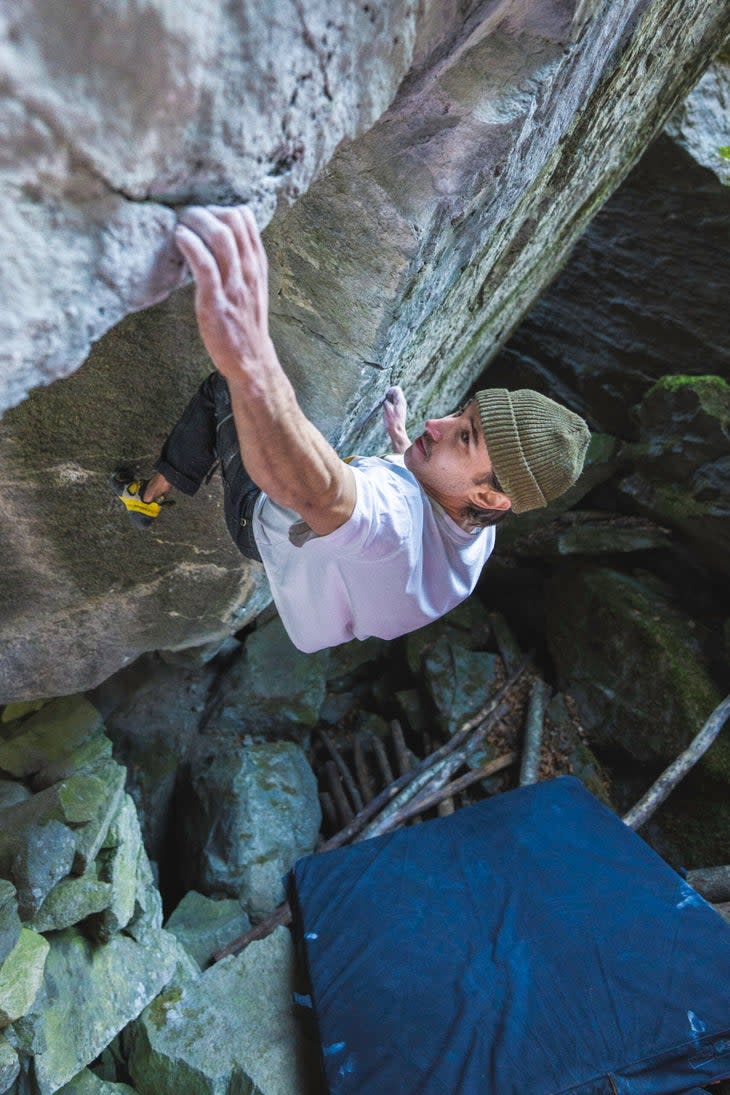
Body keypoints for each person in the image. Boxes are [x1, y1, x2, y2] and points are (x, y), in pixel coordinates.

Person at [114, 205, 590, 652]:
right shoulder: (477, 529)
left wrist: (251, 353)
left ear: (489, 497)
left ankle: (147, 496)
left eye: (464, 436)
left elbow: (310, 491)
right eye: (461, 413)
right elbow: (424, 507)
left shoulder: (390, 530)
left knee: (227, 389)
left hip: (258, 518)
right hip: (317, 556)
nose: (437, 423)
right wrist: (403, 441)